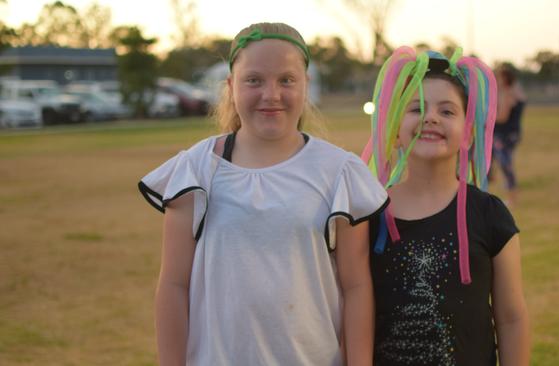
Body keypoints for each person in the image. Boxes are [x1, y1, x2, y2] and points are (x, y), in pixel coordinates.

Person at [138, 22, 388, 366]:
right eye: (253, 80)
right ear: (231, 87)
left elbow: (356, 287)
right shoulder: (196, 169)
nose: (271, 94)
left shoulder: (338, 172)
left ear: (306, 85)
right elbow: (173, 285)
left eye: (286, 80)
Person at [362, 47, 530, 365]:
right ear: (394, 129)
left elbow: (511, 318)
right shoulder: (369, 215)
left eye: (447, 111)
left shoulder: (490, 215)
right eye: (417, 108)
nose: (431, 117)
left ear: (467, 133)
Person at [492, 65, 526, 206]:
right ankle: (512, 196)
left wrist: (486, 117)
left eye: (498, 77)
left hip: (503, 135)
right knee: (507, 164)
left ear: (504, 79)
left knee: (506, 166)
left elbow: (502, 117)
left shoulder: (507, 94)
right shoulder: (517, 92)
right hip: (513, 133)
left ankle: (512, 198)